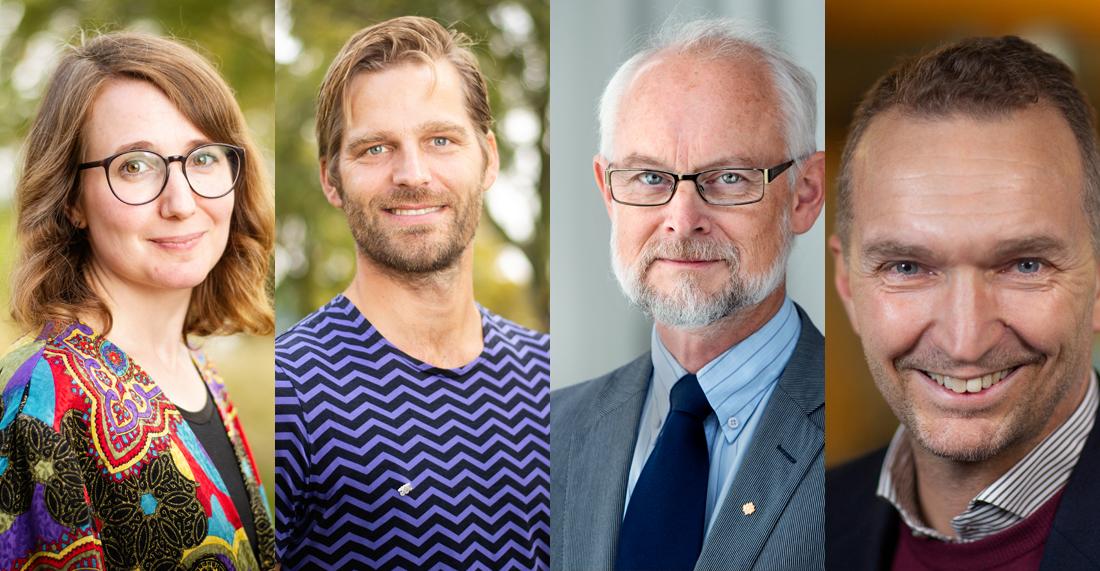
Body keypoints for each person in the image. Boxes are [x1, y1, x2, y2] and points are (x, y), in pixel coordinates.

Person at [549, 18, 826, 571]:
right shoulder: (548, 434)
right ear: (608, 191)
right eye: (649, 178)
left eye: (728, 178)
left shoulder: (862, 453)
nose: (682, 220)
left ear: (804, 195)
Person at [273, 16, 549, 570]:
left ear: (489, 158)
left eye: (441, 140)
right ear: (331, 179)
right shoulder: (291, 394)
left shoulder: (551, 378)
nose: (413, 174)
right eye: (375, 149)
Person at [0, 33, 275, 569]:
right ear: (72, 200)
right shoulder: (44, 395)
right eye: (135, 166)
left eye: (204, 159)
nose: (181, 202)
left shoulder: (196, 369)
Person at [828, 36, 1100, 570]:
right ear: (847, 282)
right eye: (907, 268)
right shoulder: (793, 528)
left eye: (1025, 265)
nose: (964, 341)